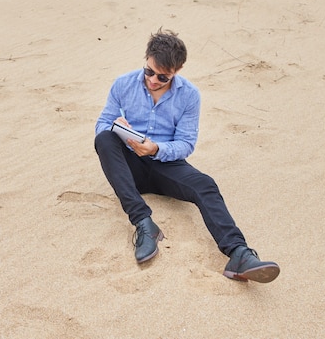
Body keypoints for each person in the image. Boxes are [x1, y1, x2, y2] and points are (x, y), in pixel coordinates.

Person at [94, 28, 280, 283]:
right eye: (149, 71)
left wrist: (156, 149)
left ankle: (239, 254)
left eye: (163, 76)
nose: (153, 80)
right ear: (146, 59)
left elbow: (186, 143)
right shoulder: (123, 83)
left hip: (165, 164)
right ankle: (145, 224)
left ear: (177, 71)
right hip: (128, 167)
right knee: (104, 138)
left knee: (205, 184)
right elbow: (103, 122)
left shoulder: (190, 95)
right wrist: (123, 131)